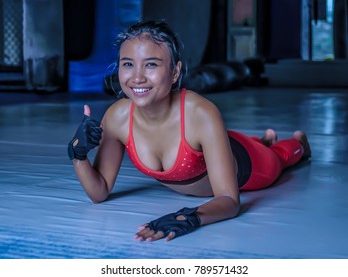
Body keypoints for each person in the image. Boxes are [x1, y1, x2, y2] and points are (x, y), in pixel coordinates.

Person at [67, 20, 311, 242]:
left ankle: (297, 143)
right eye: (128, 64)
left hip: (248, 164)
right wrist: (78, 155)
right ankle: (264, 139)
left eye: (151, 64)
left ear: (175, 72)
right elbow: (98, 192)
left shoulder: (201, 112)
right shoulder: (117, 117)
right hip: (215, 144)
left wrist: (191, 217)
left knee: (279, 157)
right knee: (241, 141)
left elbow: (229, 200)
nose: (137, 77)